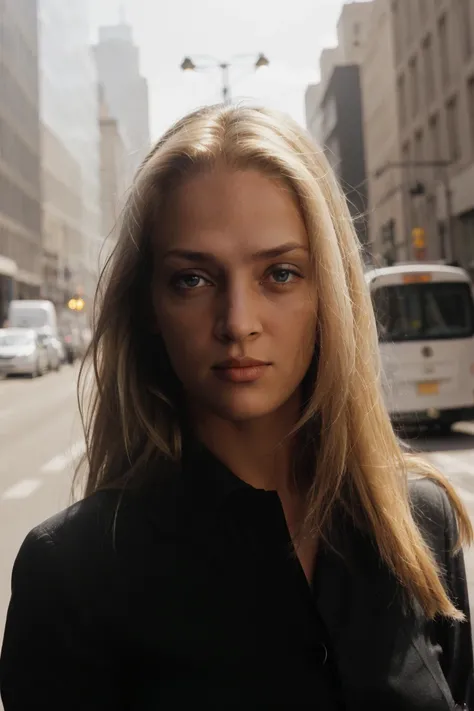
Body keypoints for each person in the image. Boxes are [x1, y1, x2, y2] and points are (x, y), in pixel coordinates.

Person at [1, 104, 473, 710]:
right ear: (148, 306)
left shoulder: (417, 524)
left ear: (328, 291)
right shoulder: (72, 574)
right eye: (193, 279)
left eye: (279, 273)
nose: (238, 323)